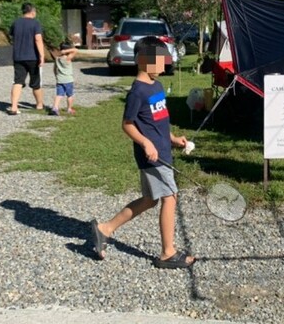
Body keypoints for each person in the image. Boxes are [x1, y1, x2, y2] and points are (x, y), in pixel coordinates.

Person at [91, 36, 195, 269]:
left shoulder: (157, 86)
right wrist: (146, 144)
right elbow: (127, 124)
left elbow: (159, 121)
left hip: (164, 153)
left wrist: (173, 138)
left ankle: (105, 228)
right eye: (158, 60)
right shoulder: (137, 91)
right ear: (142, 61)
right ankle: (168, 253)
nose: (163, 65)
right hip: (152, 157)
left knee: (150, 200)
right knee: (170, 197)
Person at [8, 2, 45, 115]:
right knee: (35, 83)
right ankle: (39, 104)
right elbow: (38, 39)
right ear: (33, 11)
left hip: (18, 56)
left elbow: (12, 37)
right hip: (33, 57)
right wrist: (42, 56)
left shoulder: (16, 23)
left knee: (18, 81)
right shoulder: (35, 23)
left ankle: (14, 107)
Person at [50, 40, 77, 116]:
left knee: (59, 94)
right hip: (68, 80)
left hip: (60, 80)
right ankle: (69, 109)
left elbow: (54, 69)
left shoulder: (57, 58)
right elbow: (75, 50)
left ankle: (55, 108)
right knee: (70, 95)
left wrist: (56, 76)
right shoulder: (68, 58)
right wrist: (65, 51)